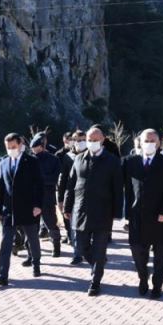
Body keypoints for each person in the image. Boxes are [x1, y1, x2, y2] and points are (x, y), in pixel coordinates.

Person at [63, 126, 123, 296]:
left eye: (95, 140)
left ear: (103, 140)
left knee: (99, 249)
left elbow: (118, 189)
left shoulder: (112, 161)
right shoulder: (79, 159)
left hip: (103, 212)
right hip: (80, 210)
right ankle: (98, 263)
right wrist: (67, 207)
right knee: (81, 247)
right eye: (90, 140)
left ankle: (95, 282)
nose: (91, 143)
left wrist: (117, 212)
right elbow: (71, 185)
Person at [123, 128, 163, 299]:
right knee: (138, 251)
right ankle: (143, 277)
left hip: (160, 216)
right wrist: (126, 214)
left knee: (161, 254)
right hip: (137, 215)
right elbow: (127, 190)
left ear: (159, 143)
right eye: (146, 140)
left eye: (153, 141)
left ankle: (157, 286)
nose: (149, 144)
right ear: (140, 142)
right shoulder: (131, 162)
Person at [0, 133, 44, 286]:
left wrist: (38, 205)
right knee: (5, 244)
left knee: (33, 239)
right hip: (9, 210)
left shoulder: (32, 161)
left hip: (28, 209)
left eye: (13, 147)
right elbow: (2, 188)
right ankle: (2, 276)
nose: (11, 150)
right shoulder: (3, 163)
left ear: (20, 144)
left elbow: (38, 185)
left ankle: (36, 263)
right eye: (8, 148)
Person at [29, 132, 62, 259]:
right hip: (33, 199)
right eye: (32, 148)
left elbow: (54, 179)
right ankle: (32, 253)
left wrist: (39, 179)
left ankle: (56, 247)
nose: (34, 150)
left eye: (36, 148)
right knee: (32, 227)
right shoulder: (30, 160)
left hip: (47, 197)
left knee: (51, 223)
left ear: (42, 146)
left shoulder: (53, 159)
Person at [58, 130, 87, 262]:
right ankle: (77, 254)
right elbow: (63, 179)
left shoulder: (93, 155)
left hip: (91, 197)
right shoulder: (68, 157)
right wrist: (60, 199)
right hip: (74, 196)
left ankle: (97, 253)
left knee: (90, 228)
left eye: (82, 139)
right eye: (76, 140)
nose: (79, 142)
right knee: (74, 226)